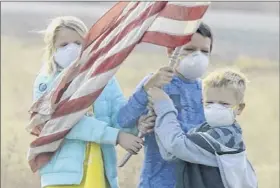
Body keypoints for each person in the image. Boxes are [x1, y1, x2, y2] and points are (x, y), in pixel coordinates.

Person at [33, 16, 144, 188]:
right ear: (52, 49)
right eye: (64, 45)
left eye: (79, 43)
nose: (72, 49)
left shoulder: (104, 79)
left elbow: (120, 118)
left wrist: (140, 117)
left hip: (100, 169)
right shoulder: (47, 84)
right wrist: (116, 136)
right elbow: (65, 123)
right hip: (64, 177)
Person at [117, 22, 213, 188]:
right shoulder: (156, 83)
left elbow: (204, 138)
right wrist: (142, 121)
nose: (198, 56)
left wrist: (163, 124)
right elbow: (123, 120)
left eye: (204, 51)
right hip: (157, 180)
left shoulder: (208, 91)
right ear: (171, 51)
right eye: (190, 49)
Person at [148, 69, 258, 188]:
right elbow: (172, 153)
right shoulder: (204, 129)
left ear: (239, 108)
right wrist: (158, 121)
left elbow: (176, 145)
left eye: (224, 104)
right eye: (209, 102)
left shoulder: (226, 136)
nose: (215, 107)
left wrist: (164, 105)